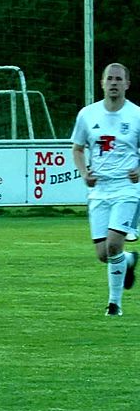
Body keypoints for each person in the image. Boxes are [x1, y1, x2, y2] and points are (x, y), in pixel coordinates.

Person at [71, 62, 140, 317]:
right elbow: (77, 149)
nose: (113, 83)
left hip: (127, 189)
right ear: (101, 83)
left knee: (113, 245)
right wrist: (83, 172)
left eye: (118, 79)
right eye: (109, 78)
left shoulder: (136, 115)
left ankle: (114, 304)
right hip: (99, 190)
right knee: (104, 254)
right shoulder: (87, 115)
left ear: (127, 84)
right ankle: (129, 260)